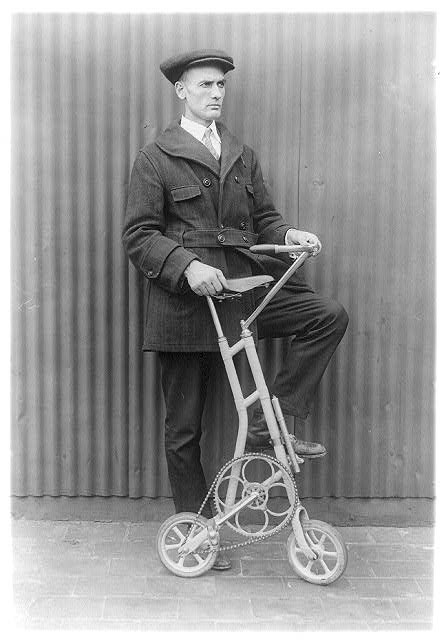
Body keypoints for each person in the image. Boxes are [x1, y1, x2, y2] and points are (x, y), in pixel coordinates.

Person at [122, 49, 348, 570]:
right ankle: (196, 535)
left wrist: (290, 235)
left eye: (221, 85)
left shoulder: (242, 155)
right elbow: (138, 236)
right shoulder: (155, 156)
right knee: (184, 430)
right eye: (204, 85)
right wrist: (186, 266)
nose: (216, 93)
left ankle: (275, 422)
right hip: (187, 308)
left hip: (244, 298)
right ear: (181, 91)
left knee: (326, 314)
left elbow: (264, 218)